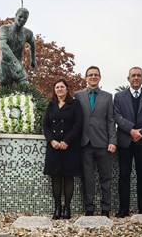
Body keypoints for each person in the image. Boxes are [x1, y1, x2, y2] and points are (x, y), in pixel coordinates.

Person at [114, 67, 142, 218]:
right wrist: (131, 130)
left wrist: (141, 133)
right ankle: (123, 209)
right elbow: (117, 116)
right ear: (128, 78)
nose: (136, 78)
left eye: (139, 76)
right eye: (133, 75)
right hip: (125, 141)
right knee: (124, 176)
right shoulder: (119, 96)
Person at [74, 66, 116, 217]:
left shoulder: (108, 96)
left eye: (96, 75)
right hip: (85, 144)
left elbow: (111, 120)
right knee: (88, 178)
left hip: (103, 144)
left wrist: (112, 140)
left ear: (100, 77)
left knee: (106, 178)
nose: (93, 77)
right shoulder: (77, 96)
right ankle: (89, 208)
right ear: (86, 78)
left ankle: (106, 209)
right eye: (90, 75)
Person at [43, 79, 83, 220]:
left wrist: (67, 141)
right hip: (54, 147)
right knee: (56, 177)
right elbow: (46, 125)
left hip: (70, 147)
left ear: (67, 89)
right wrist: (52, 140)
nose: (59, 89)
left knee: (68, 177)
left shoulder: (75, 104)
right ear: (54, 90)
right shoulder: (51, 105)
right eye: (57, 87)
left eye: (62, 87)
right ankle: (57, 208)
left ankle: (67, 208)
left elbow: (78, 124)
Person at [0, 7, 36, 86]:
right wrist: (15, 62)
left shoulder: (28, 33)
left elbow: (33, 44)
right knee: (6, 89)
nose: (22, 19)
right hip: (5, 64)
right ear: (15, 16)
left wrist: (33, 60)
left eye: (25, 18)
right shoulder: (5, 29)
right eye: (20, 16)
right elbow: (3, 45)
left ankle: (27, 98)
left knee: (25, 85)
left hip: (18, 63)